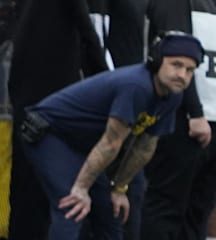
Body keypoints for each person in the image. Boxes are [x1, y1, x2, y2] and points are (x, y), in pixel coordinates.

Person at [21, 33, 202, 239]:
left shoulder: (173, 96)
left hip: (84, 143)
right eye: (176, 65)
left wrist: (119, 188)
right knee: (72, 205)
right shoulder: (136, 86)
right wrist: (81, 188)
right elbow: (110, 143)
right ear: (157, 61)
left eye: (189, 70)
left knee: (111, 211)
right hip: (51, 133)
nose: (182, 75)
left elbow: (144, 147)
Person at [141, 0, 216, 239]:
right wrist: (195, 113)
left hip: (211, 119)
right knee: (168, 206)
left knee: (198, 209)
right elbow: (175, 60)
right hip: (183, 119)